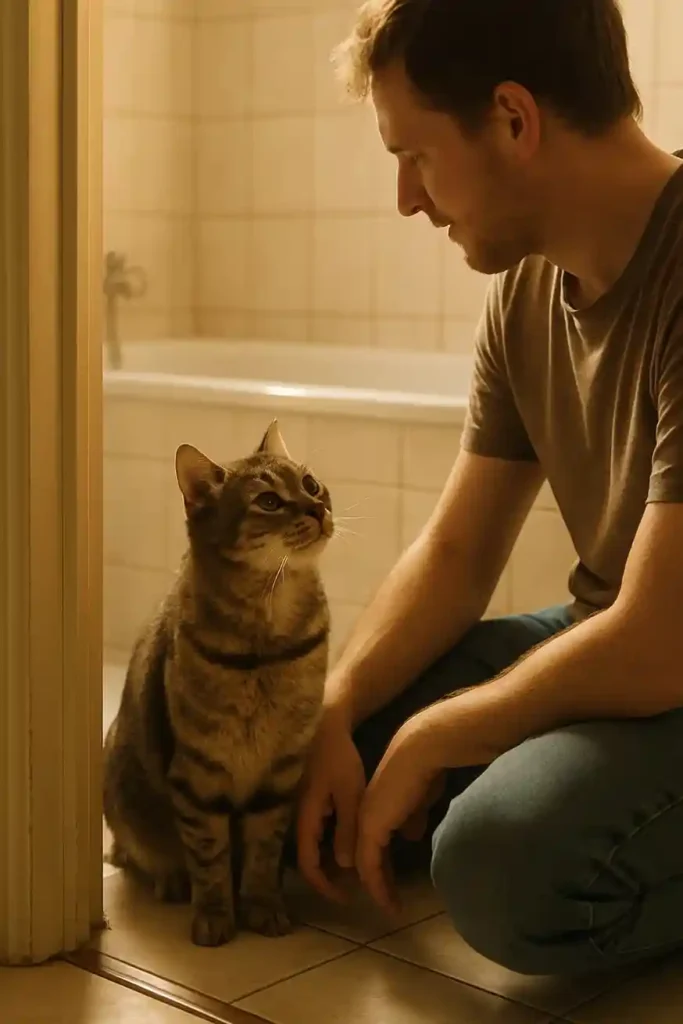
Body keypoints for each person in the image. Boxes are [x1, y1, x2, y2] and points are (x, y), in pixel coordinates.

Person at [296, 0, 683, 978]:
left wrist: (438, 737)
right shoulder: (523, 291)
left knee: (495, 864)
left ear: (512, 120)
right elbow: (458, 553)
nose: (404, 199)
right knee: (324, 758)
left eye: (414, 155)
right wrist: (337, 710)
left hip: (666, 653)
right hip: (623, 638)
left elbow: (659, 639)